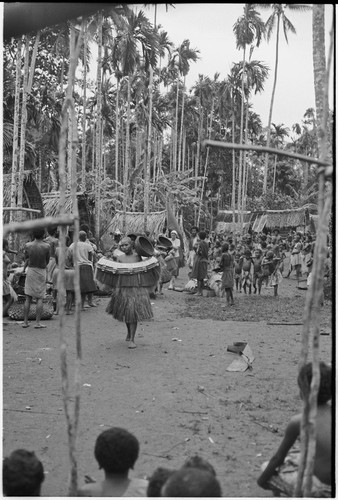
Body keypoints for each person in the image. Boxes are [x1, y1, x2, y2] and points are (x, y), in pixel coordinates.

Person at [257, 362, 332, 497]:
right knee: (299, 453)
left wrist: (262, 481)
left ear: (303, 391)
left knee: (266, 467)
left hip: (322, 487)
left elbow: (278, 459)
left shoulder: (300, 421)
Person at [106, 236, 153, 349]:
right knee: (127, 314)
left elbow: (143, 270)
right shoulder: (120, 258)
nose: (124, 247)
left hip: (136, 289)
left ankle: (132, 339)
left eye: (126, 245)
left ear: (131, 245)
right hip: (123, 288)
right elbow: (116, 273)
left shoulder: (138, 257)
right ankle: (128, 332)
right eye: (122, 245)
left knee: (133, 314)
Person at [78, 427, 148, 497]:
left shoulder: (86, 492)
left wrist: (95, 487)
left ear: (99, 459)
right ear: (134, 458)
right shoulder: (147, 489)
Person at [22, 228, 50, 329]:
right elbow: (47, 261)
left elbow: (26, 258)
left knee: (28, 297)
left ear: (33, 235)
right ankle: (37, 323)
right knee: (40, 298)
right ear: (43, 235)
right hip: (41, 271)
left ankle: (25, 322)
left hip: (31, 271)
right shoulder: (46, 246)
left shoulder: (28, 246)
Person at [68, 231, 97, 310]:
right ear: (85, 237)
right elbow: (91, 256)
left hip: (75, 266)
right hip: (86, 266)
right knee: (84, 288)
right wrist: (90, 262)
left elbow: (69, 255)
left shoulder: (73, 245)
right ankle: (82, 305)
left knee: (74, 286)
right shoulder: (88, 245)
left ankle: (73, 303)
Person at [190, 231, 209, 296]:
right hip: (204, 260)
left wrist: (196, 250)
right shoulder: (206, 243)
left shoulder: (200, 243)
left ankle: (199, 291)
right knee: (202, 277)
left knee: (198, 277)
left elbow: (199, 252)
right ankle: (201, 291)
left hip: (199, 260)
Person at [3, 239, 18, 317]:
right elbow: (6, 250)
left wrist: (14, 252)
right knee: (10, 299)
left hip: (4, 279)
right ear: (5, 246)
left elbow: (7, 250)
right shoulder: (2, 253)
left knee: (6, 299)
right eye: (7, 245)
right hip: (2, 280)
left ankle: (5, 313)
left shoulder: (4, 253)